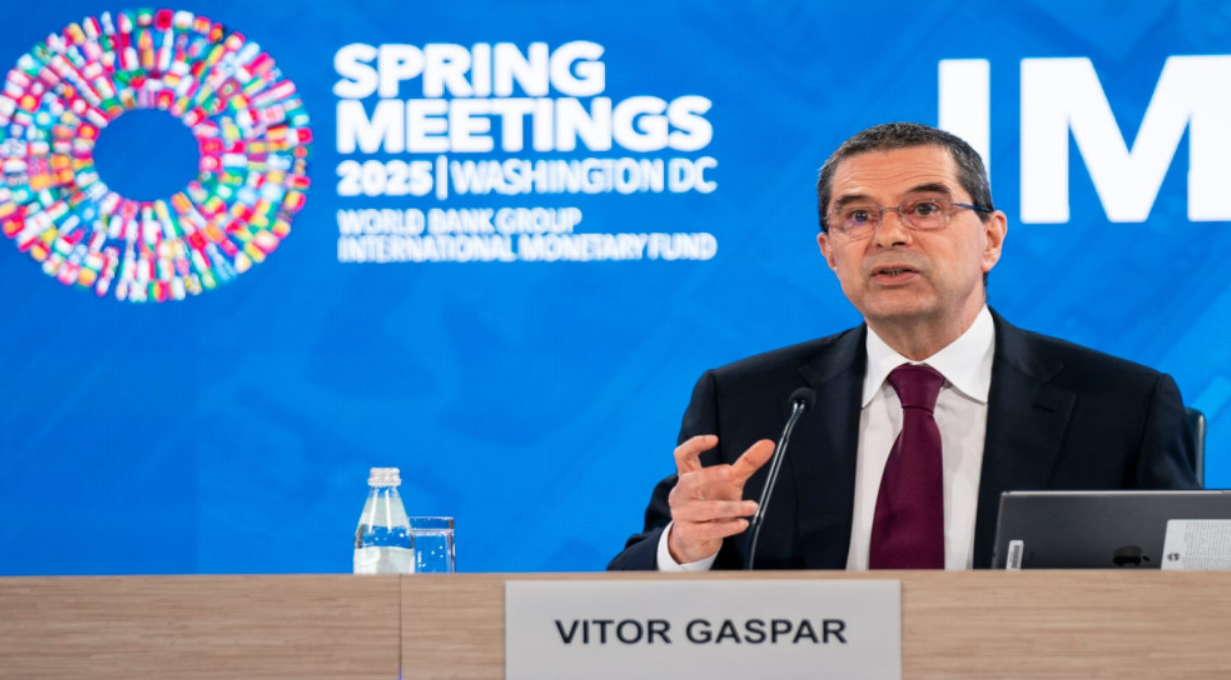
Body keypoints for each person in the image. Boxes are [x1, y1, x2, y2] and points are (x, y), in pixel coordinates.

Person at [608, 122, 1198, 572]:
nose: (889, 235)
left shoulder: (1122, 405)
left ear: (991, 238)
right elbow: (628, 590)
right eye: (858, 217)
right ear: (829, 253)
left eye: (925, 209)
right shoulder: (749, 400)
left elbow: (1194, 593)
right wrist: (686, 547)